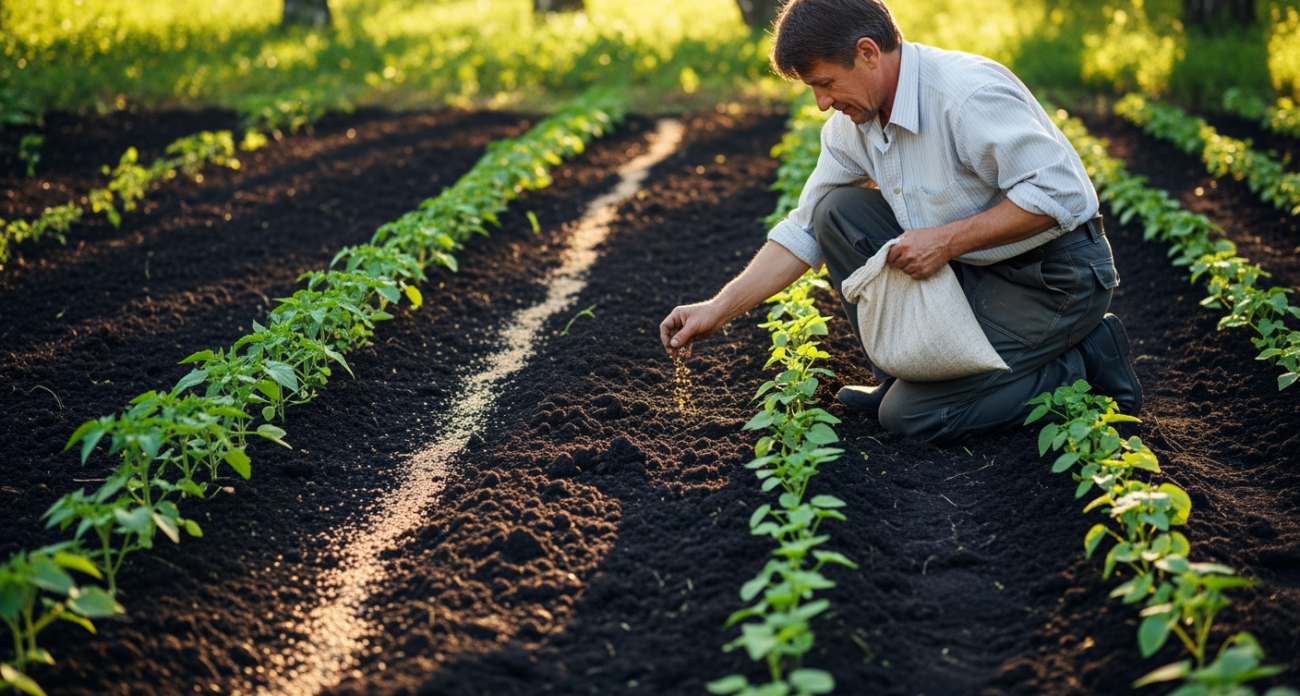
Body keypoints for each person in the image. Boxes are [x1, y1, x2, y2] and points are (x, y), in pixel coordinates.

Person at [658, 0, 1142, 443]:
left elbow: (1060, 194)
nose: (822, 103)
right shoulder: (854, 125)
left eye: (826, 83)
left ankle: (1082, 359)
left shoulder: (965, 95)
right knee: (837, 212)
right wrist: (717, 309)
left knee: (912, 416)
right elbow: (805, 229)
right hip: (975, 268)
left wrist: (946, 241)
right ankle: (904, 374)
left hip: (1053, 277)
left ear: (868, 53)